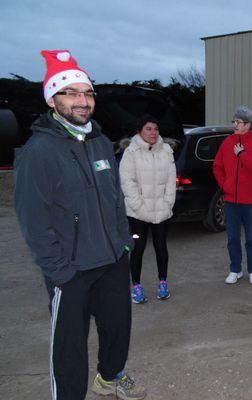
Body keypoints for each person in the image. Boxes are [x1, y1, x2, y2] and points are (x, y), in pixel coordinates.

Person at [14, 50, 146, 400]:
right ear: (52, 100)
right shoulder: (38, 151)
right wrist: (59, 271)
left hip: (112, 259)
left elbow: (116, 200)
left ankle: (110, 377)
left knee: (118, 328)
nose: (82, 101)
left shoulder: (101, 143)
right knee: (70, 347)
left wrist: (124, 244)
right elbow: (33, 219)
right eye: (70, 93)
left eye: (87, 93)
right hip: (71, 269)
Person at [119, 115, 177, 303]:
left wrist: (168, 203)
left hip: (161, 210)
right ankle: (136, 286)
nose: (153, 133)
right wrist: (139, 207)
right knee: (138, 248)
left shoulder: (166, 150)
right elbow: (127, 182)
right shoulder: (131, 151)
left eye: (156, 129)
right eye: (149, 129)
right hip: (138, 213)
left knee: (161, 246)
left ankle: (163, 283)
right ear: (139, 131)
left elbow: (171, 179)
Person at [213, 106, 252, 285]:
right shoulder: (227, 143)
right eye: (234, 121)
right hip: (230, 200)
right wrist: (224, 185)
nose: (235, 124)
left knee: (251, 238)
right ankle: (235, 269)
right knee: (232, 238)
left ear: (248, 125)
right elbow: (217, 167)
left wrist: (242, 154)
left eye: (238, 121)